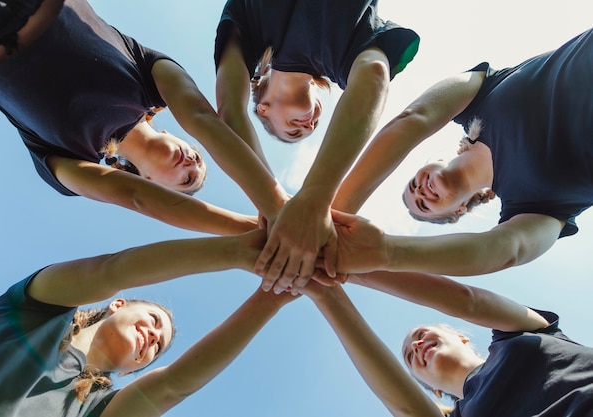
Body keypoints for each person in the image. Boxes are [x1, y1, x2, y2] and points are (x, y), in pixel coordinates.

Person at [0, 0, 287, 236]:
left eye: (188, 179)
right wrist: (277, 207)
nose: (191, 162)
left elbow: (137, 199)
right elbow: (202, 116)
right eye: (199, 159)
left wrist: (253, 233)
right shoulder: (149, 77)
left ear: (151, 183)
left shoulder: (70, 158)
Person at [327, 28, 593, 278]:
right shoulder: (530, 208)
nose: (420, 192)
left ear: (427, 166)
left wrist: (329, 217)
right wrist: (387, 251)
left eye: (413, 185)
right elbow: (509, 250)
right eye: (423, 204)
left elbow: (414, 118)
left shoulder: (478, 98)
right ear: (458, 211)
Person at [0, 228, 300, 416]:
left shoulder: (96, 408)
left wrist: (271, 298)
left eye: (156, 347)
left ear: (129, 371)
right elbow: (111, 270)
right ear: (117, 303)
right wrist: (239, 251)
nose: (153, 337)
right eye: (154, 321)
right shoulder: (37, 311)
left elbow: (174, 384)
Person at [214, 0, 420, 290]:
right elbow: (374, 71)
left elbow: (229, 111)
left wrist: (284, 205)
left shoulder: (250, 34)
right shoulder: (345, 54)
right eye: (311, 129)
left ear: (263, 109)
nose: (309, 126)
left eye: (293, 132)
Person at [302, 270, 593, 416]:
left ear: (461, 336)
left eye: (420, 334)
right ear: (433, 389)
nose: (416, 345)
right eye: (408, 356)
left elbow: (468, 300)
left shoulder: (515, 336)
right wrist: (327, 294)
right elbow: (404, 405)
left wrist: (344, 268)